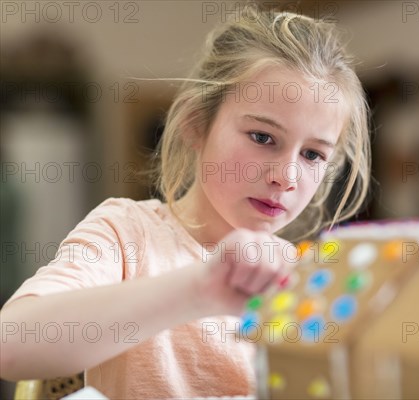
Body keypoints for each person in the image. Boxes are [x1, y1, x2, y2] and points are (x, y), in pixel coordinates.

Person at [0, 5, 371, 398]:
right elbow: (12, 344)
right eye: (263, 137)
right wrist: (200, 289)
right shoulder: (128, 234)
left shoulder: (307, 280)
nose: (288, 176)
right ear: (196, 124)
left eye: (312, 155)